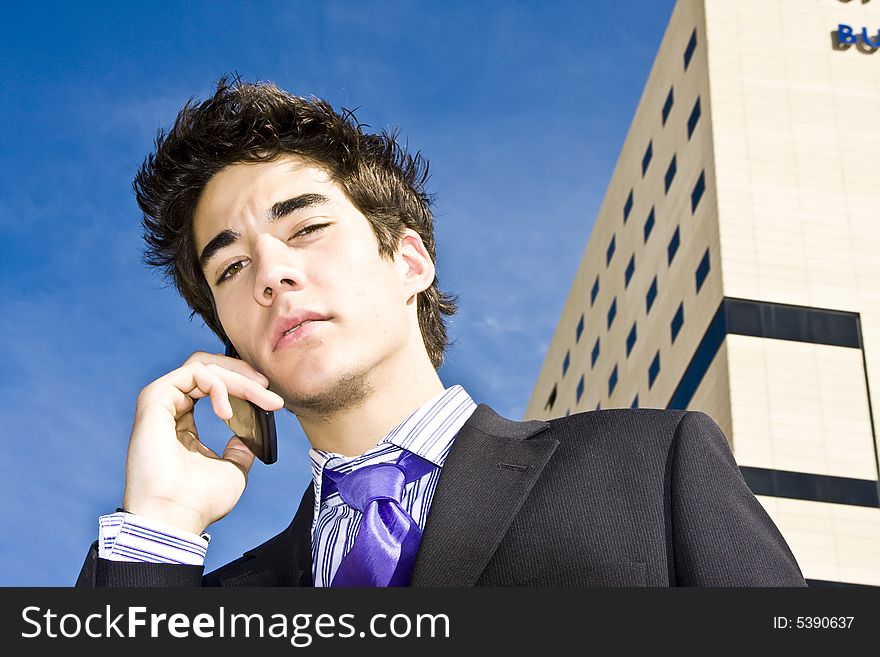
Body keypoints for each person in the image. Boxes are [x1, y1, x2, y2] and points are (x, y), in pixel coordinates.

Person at [76, 77, 806, 587]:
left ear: (410, 260)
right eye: (230, 266)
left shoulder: (649, 466)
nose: (271, 273)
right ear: (230, 341)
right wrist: (160, 526)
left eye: (307, 227)